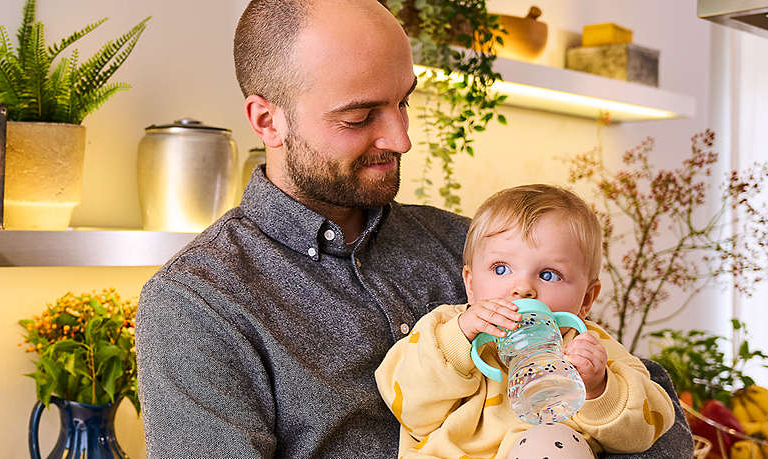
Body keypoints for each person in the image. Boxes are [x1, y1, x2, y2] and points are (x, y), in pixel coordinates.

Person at [135, 0, 693, 457]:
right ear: (267, 120)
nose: (401, 139)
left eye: (404, 103)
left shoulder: (474, 247)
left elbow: (652, 422)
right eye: (359, 117)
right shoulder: (196, 304)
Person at [375, 184, 676, 458]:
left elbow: (644, 431)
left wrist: (599, 388)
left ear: (586, 299)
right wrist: (459, 341)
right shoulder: (444, 330)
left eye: (548, 275)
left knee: (551, 443)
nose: (522, 288)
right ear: (470, 283)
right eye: (501, 268)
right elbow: (409, 407)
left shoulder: (592, 349)